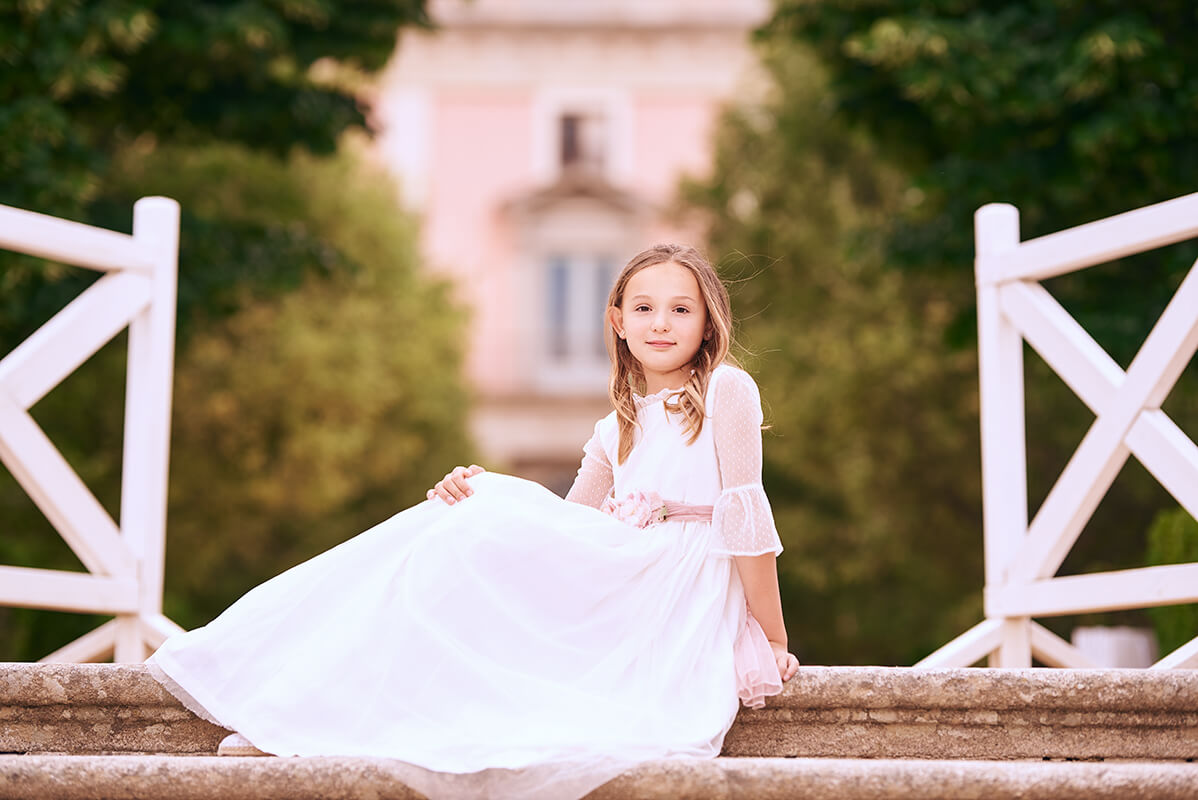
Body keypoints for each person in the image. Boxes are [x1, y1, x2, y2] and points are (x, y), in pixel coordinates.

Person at [146, 243, 799, 800]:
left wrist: (770, 635)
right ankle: (300, 711)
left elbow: (743, 514)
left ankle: (311, 712)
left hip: (675, 587)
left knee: (481, 537)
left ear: (708, 324)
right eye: (644, 308)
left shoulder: (726, 392)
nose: (662, 323)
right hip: (622, 574)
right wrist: (481, 494)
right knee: (453, 523)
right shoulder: (613, 427)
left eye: (681, 309)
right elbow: (562, 531)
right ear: (618, 321)